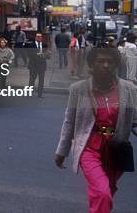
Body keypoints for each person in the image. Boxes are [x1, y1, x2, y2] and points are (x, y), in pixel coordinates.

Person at [54, 47, 137, 213]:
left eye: (110, 61)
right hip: (89, 148)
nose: (105, 65)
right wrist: (62, 151)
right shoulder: (78, 89)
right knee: (102, 193)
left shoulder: (129, 89)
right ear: (92, 64)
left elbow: (135, 120)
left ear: (116, 65)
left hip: (116, 149)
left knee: (108, 191)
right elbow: (70, 121)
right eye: (100, 61)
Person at [26, 32, 49, 98]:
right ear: (35, 38)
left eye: (40, 37)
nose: (39, 38)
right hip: (33, 64)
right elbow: (29, 54)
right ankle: (30, 92)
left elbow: (48, 55)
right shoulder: (31, 45)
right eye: (38, 37)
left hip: (42, 65)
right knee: (32, 79)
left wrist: (45, 55)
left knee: (41, 80)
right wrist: (36, 54)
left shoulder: (45, 45)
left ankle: (40, 94)